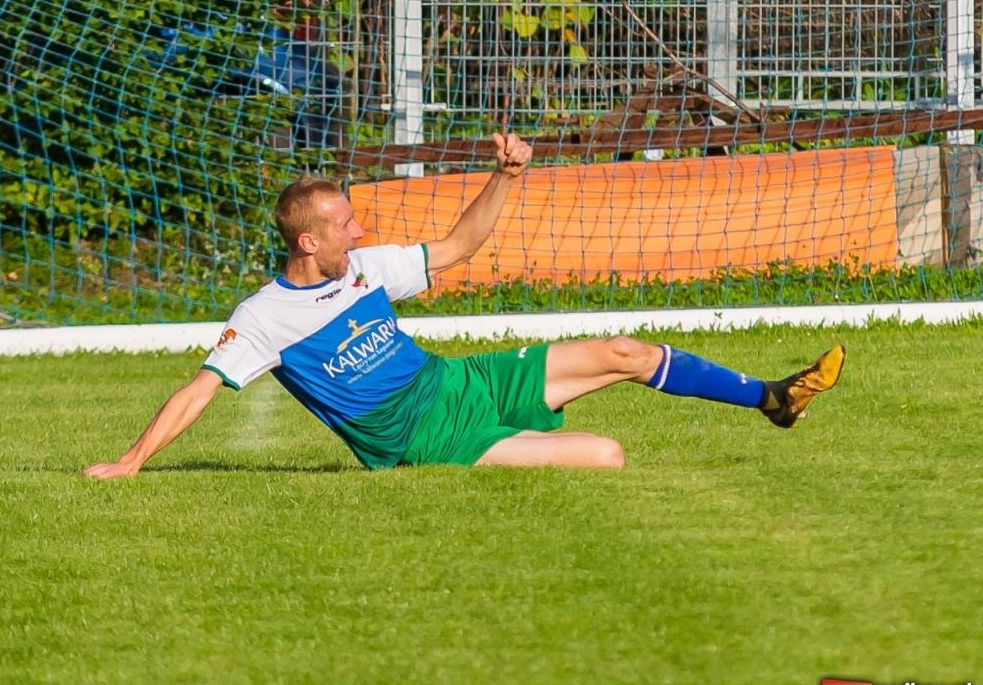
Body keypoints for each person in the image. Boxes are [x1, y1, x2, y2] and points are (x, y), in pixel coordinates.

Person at [84, 134, 845, 478]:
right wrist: (131, 461)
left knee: (625, 351)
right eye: (345, 222)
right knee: (606, 456)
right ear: (309, 244)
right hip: (424, 441)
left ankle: (771, 398)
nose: (361, 227)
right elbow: (199, 391)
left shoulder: (365, 270)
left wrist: (505, 176)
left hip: (458, 384)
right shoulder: (263, 318)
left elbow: (455, 249)